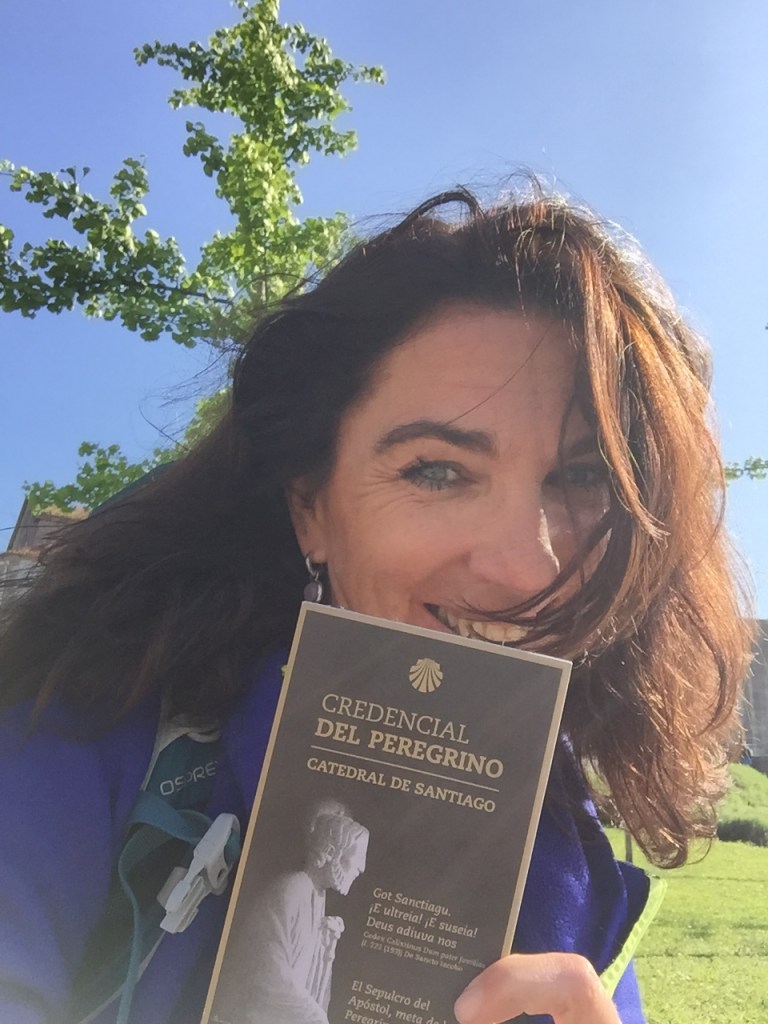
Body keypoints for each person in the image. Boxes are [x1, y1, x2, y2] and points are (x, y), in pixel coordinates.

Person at [0, 184, 752, 1024]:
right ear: (311, 509)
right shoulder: (80, 741)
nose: (524, 567)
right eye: (438, 471)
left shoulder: (578, 870)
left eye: (582, 478)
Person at [213, 800, 369, 1024]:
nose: (362, 868)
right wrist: (314, 1016)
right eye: (359, 855)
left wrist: (325, 952)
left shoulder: (316, 896)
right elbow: (266, 971)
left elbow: (306, 984)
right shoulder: (292, 888)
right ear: (331, 851)